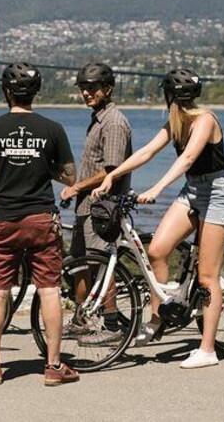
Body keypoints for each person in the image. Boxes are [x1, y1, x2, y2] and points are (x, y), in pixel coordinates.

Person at [92, 68, 224, 369]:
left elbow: (186, 159)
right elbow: (147, 151)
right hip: (193, 191)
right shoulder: (175, 122)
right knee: (157, 250)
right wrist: (113, 175)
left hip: (219, 193)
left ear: (169, 95)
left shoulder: (205, 119)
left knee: (207, 276)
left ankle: (208, 349)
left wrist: (157, 188)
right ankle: (158, 319)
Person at [0, 62, 80, 386]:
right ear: (36, 92)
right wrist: (44, 164)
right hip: (41, 219)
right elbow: (69, 175)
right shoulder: (52, 128)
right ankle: (53, 367)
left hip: (3, 220)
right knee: (50, 289)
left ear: (6, 92)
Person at [58, 62, 132, 346]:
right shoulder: (98, 118)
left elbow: (112, 171)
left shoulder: (113, 123)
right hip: (85, 206)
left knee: (102, 264)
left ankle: (112, 325)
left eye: (92, 88)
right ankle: (82, 320)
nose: (87, 93)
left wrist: (77, 186)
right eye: (83, 88)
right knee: (79, 265)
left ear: (108, 88)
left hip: (103, 207)